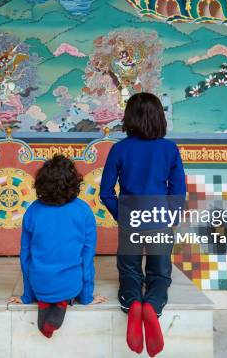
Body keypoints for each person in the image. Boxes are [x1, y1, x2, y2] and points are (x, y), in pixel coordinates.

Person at [100, 93, 186, 357]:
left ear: (129, 118)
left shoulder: (119, 149)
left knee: (130, 272)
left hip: (130, 219)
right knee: (159, 274)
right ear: (159, 117)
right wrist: (169, 217)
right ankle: (153, 305)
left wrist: (122, 215)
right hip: (159, 219)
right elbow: (178, 192)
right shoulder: (169, 149)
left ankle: (133, 301)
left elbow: (106, 192)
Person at [8, 155, 106, 337]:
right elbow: (87, 257)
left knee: (43, 280)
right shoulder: (84, 211)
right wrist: (86, 297)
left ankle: (44, 302)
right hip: (71, 284)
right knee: (69, 281)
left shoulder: (33, 211)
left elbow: (25, 256)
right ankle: (62, 302)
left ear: (41, 183)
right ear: (74, 183)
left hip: (39, 284)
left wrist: (27, 296)